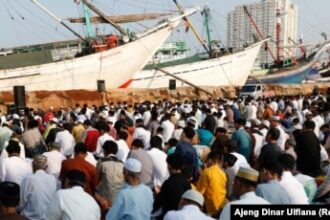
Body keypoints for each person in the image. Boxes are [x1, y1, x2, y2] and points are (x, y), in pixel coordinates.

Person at [153, 153, 191, 219]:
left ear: (170, 166)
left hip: (168, 215)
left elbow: (157, 203)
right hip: (182, 215)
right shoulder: (186, 182)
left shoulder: (169, 183)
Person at [19, 155, 58, 219]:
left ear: (33, 165)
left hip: (29, 217)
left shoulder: (28, 179)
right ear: (46, 167)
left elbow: (21, 203)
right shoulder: (53, 179)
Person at [196, 151, 227, 217]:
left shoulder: (207, 172)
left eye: (207, 160)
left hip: (210, 208)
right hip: (221, 205)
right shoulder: (223, 173)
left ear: (210, 160)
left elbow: (199, 192)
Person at [95, 140, 124, 209]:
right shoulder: (122, 163)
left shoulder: (102, 161)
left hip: (106, 199)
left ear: (105, 151)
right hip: (119, 198)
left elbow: (96, 179)